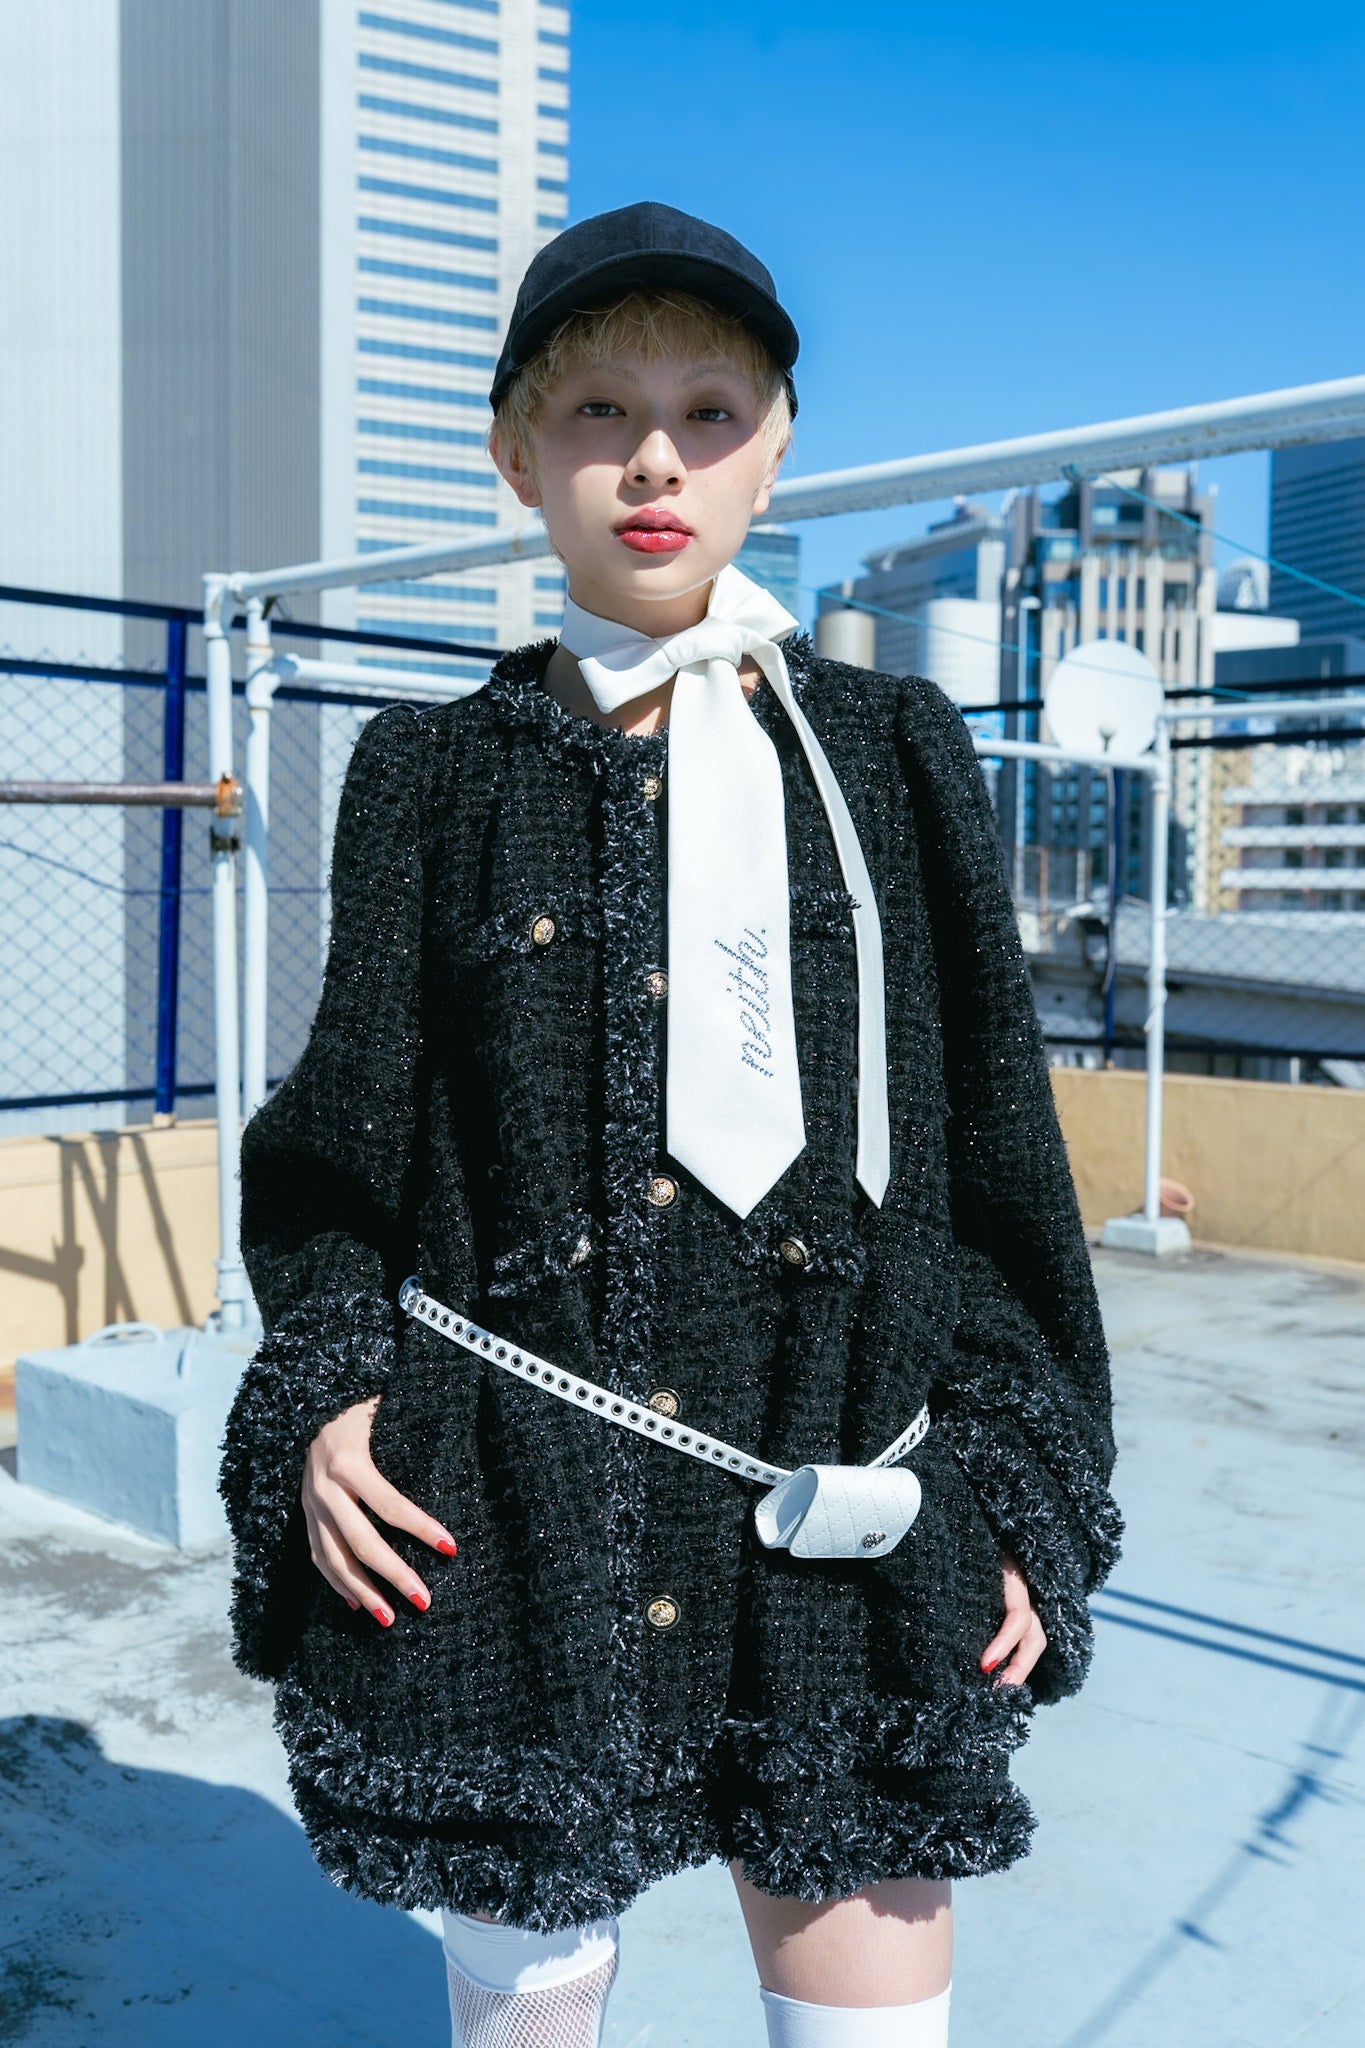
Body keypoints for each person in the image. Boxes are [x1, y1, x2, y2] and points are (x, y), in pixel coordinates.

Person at [219, 201, 1123, 2048]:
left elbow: (997, 1159)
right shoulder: (427, 773)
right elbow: (339, 1147)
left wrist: (1020, 1478)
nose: (653, 460)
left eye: (710, 412)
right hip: (503, 1512)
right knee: (526, 2004)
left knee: (870, 1999)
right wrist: (325, 1395)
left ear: (776, 448)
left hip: (847, 1507)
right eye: (598, 412)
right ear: (515, 453)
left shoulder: (893, 752)